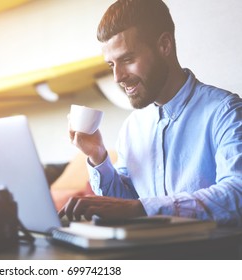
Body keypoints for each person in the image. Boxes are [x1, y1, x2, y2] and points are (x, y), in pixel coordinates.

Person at [58, 0, 242, 227]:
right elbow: (126, 205)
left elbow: (237, 194)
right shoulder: (133, 127)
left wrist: (142, 208)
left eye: (127, 59)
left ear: (164, 45)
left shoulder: (225, 111)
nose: (117, 77)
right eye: (111, 65)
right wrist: (98, 155)